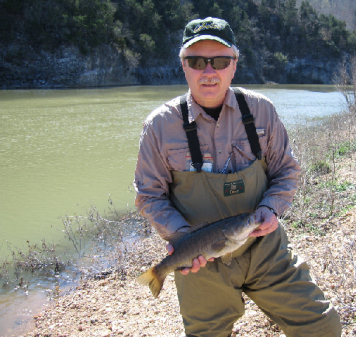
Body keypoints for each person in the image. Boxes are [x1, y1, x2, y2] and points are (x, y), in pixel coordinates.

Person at [134, 17, 341, 337]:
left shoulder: (262, 111)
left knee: (322, 328)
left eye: (219, 61)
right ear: (183, 65)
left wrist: (271, 209)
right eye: (196, 61)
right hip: (201, 264)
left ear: (234, 64)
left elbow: (286, 171)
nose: (208, 71)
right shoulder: (160, 126)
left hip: (265, 250)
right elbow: (149, 195)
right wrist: (184, 239)